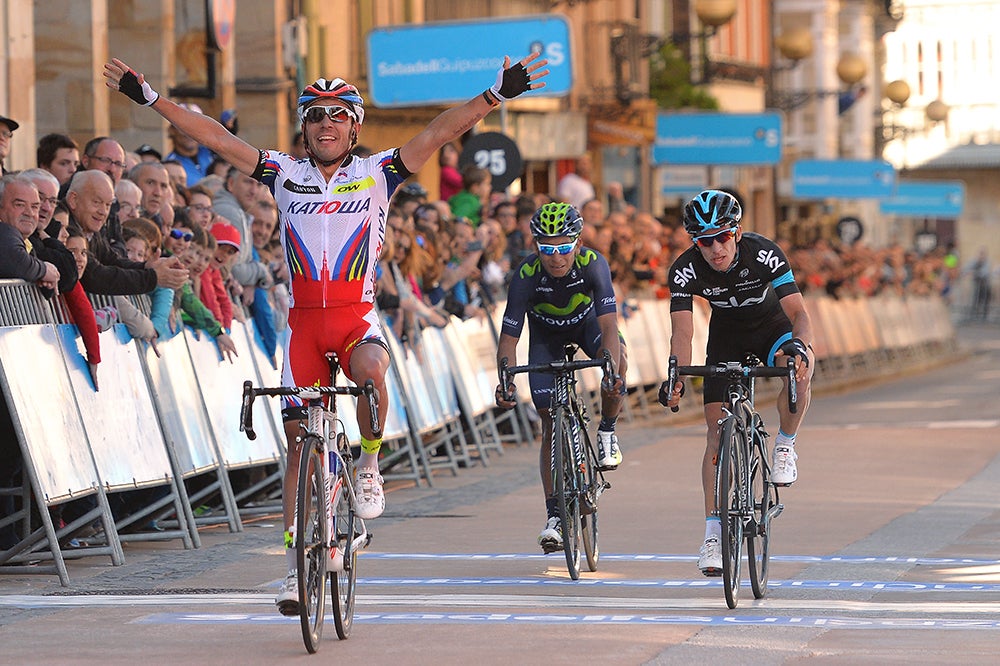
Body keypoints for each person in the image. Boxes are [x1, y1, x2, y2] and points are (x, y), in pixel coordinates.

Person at [105, 48, 548, 615]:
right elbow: (214, 138)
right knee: (298, 448)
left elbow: (439, 131)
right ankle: (294, 566)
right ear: (305, 127)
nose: (327, 124)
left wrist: (495, 94)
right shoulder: (282, 174)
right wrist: (151, 98)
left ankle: (367, 464)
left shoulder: (378, 173)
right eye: (316, 115)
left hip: (354, 317)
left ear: (354, 126)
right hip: (303, 327)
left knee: (369, 373)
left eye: (338, 114)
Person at [657, 189, 814, 577]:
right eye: (704, 241)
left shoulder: (764, 253)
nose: (714, 249)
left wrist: (802, 350)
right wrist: (676, 373)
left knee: (796, 369)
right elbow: (682, 333)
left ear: (737, 233)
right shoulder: (685, 270)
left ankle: (785, 446)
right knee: (715, 431)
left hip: (773, 329)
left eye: (722, 237)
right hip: (726, 338)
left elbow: (799, 313)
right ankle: (713, 533)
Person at [494, 201, 626, 553]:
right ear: (536, 246)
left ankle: (608, 430)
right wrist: (505, 380)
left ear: (578, 244)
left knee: (618, 361)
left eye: (564, 247)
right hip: (545, 340)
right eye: (547, 248)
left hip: (588, 328)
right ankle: (554, 514)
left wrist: (610, 367)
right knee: (549, 420)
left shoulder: (593, 265)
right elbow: (509, 337)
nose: (556, 257)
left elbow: (609, 324)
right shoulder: (525, 275)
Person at [164, 104, 216, 186]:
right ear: (172, 130)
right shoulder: (169, 166)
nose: (189, 133)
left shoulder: (214, 154)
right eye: (183, 127)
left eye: (195, 127)